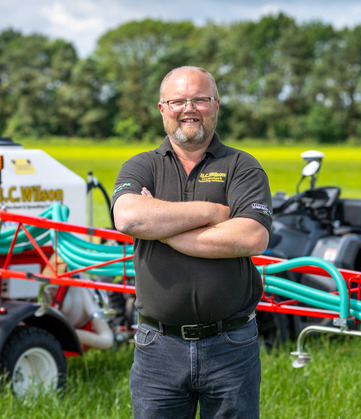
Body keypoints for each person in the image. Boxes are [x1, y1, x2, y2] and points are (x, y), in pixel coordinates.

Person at [111, 66, 273, 419]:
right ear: (161, 108)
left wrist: (160, 226)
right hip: (158, 346)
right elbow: (128, 218)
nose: (189, 108)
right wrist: (214, 211)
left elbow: (252, 236)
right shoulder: (141, 166)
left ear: (216, 106)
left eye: (200, 99)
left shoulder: (242, 167)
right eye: (178, 101)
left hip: (231, 344)